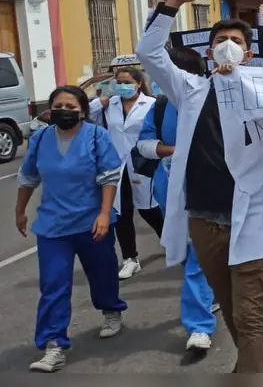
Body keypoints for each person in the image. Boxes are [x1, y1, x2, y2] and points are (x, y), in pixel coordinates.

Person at [136, 0, 263, 373]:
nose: (227, 45)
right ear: (210, 50)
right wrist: (173, 3)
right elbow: (148, 52)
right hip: (204, 221)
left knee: (250, 317)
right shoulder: (191, 91)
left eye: (235, 39)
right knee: (232, 310)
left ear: (248, 54)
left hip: (249, 218)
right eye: (220, 40)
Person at [16, 86, 126, 372]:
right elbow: (28, 177)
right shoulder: (40, 140)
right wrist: (20, 211)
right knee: (53, 285)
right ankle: (54, 345)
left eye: (71, 106)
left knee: (102, 276)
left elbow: (110, 177)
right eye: (58, 105)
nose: (64, 111)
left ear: (82, 111)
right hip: (53, 227)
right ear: (50, 110)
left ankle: (111, 309)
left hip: (92, 224)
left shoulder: (96, 136)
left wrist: (104, 214)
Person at [134, 47, 218, 353]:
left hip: (207, 191)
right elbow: (143, 145)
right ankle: (210, 292)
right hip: (168, 191)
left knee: (196, 258)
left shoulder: (214, 100)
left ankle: (198, 327)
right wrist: (172, 151)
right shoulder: (159, 107)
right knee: (186, 256)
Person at [89, 65, 162, 280]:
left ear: (139, 83)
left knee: (150, 210)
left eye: (127, 82)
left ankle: (170, 241)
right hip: (115, 166)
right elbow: (87, 115)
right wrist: (99, 101)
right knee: (121, 213)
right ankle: (130, 258)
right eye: (118, 82)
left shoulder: (151, 104)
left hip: (143, 164)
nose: (122, 86)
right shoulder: (108, 105)